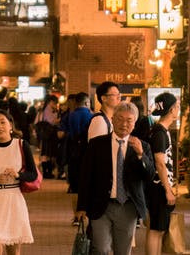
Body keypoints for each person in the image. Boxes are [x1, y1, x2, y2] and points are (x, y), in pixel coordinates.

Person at [74, 101, 155, 255]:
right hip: (101, 206)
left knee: (123, 251)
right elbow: (85, 176)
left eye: (129, 120)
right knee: (101, 248)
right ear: (112, 120)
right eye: (119, 119)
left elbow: (149, 176)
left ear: (134, 123)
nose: (124, 124)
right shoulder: (97, 144)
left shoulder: (143, 146)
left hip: (128, 207)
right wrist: (81, 207)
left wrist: (140, 155)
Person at [0, 109, 37, 254]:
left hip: (14, 199)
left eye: (3, 122)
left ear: (11, 125)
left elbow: (33, 174)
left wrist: (18, 175)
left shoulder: (22, 145)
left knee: (13, 251)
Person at [145, 92, 180, 254]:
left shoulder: (159, 130)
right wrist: (168, 190)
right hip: (159, 188)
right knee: (156, 230)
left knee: (159, 229)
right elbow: (160, 162)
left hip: (159, 187)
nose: (178, 109)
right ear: (171, 109)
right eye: (177, 106)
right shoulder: (159, 132)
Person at [62, 93, 93, 193]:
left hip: (73, 145)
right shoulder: (90, 115)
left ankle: (73, 187)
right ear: (86, 102)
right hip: (86, 146)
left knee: (74, 167)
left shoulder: (71, 115)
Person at [34, 95, 61, 179]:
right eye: (55, 103)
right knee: (48, 153)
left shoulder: (43, 109)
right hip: (48, 135)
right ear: (51, 102)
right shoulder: (48, 109)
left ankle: (46, 172)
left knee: (45, 153)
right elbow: (51, 122)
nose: (56, 104)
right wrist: (59, 119)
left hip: (44, 135)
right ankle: (47, 173)